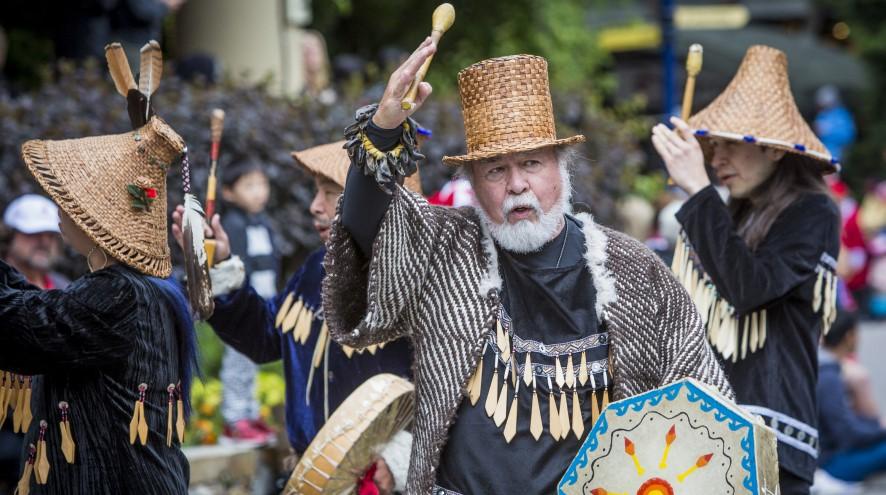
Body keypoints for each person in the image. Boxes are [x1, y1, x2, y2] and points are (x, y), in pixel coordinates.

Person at [321, 38, 732, 494]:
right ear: (474, 184)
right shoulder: (444, 248)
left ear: (561, 167)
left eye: (532, 163)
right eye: (495, 170)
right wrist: (382, 127)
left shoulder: (632, 268)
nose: (517, 185)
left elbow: (703, 408)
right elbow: (364, 228)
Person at [172, 141, 418, 493]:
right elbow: (265, 337)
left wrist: (398, 461)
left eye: (330, 193)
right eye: (317, 192)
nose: (314, 206)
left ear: (375, 202)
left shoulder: (416, 282)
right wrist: (219, 265)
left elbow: (449, 394)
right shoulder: (317, 267)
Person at [651, 45, 842, 495]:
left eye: (730, 144)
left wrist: (698, 190)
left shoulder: (814, 211)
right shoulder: (729, 213)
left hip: (773, 439)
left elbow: (750, 288)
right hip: (703, 437)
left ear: (775, 151)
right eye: (711, 146)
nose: (715, 160)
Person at [0, 115, 195, 494]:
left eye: (69, 197)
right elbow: (37, 307)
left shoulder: (118, 294)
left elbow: (22, 326)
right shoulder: (135, 288)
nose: (59, 205)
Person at [215, 160, 280, 443]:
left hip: (265, 302)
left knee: (253, 361)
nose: (258, 192)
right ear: (229, 193)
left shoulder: (264, 223)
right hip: (245, 306)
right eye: (249, 186)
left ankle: (250, 413)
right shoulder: (233, 225)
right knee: (238, 360)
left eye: (261, 184)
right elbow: (236, 268)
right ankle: (235, 417)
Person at [814, 310, 886, 493]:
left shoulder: (824, 370)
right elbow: (846, 433)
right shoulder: (828, 376)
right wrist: (880, 430)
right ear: (850, 336)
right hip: (830, 465)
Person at [3, 194, 69, 290]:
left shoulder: (65, 288)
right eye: (34, 233)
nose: (45, 242)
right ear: (9, 236)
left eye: (51, 235)